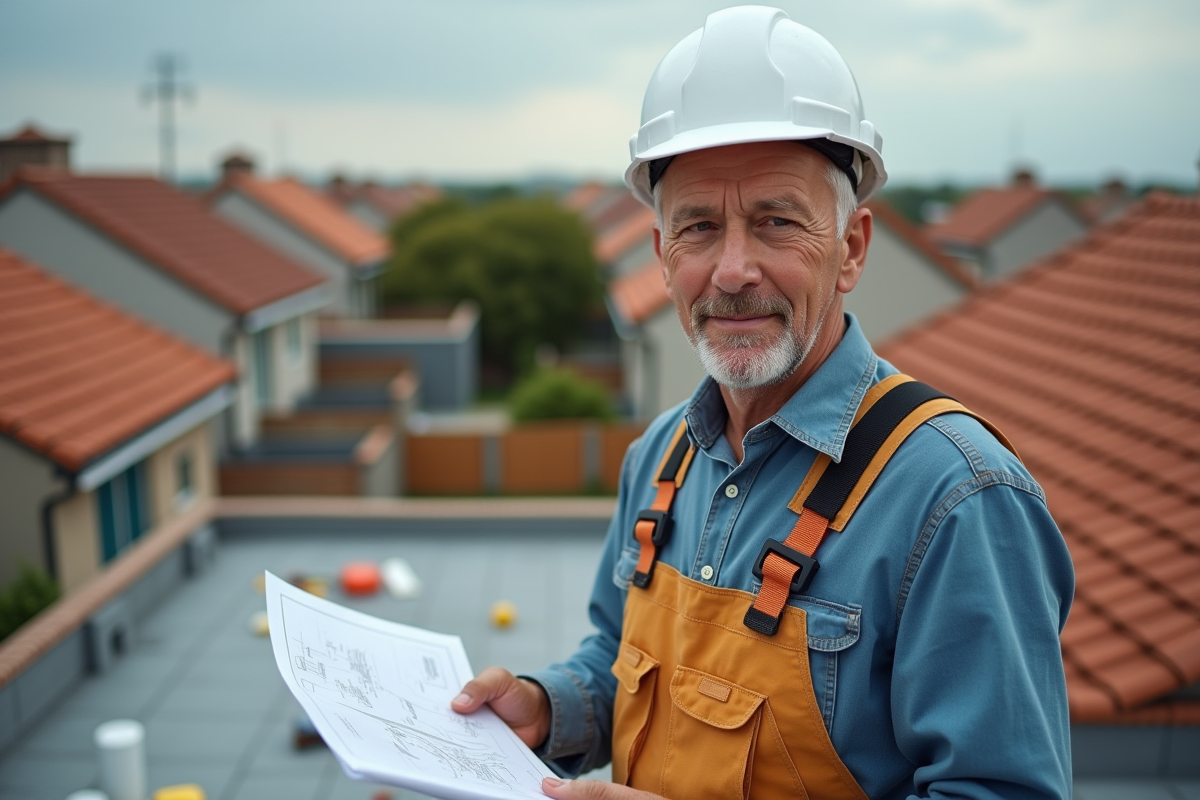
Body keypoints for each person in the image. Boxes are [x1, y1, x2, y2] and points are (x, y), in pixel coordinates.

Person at [453, 7, 1075, 799]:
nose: (734, 269)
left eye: (776, 222)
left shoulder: (957, 500)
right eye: (700, 227)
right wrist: (547, 710)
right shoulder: (659, 459)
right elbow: (623, 660)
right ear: (662, 255)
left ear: (850, 249)